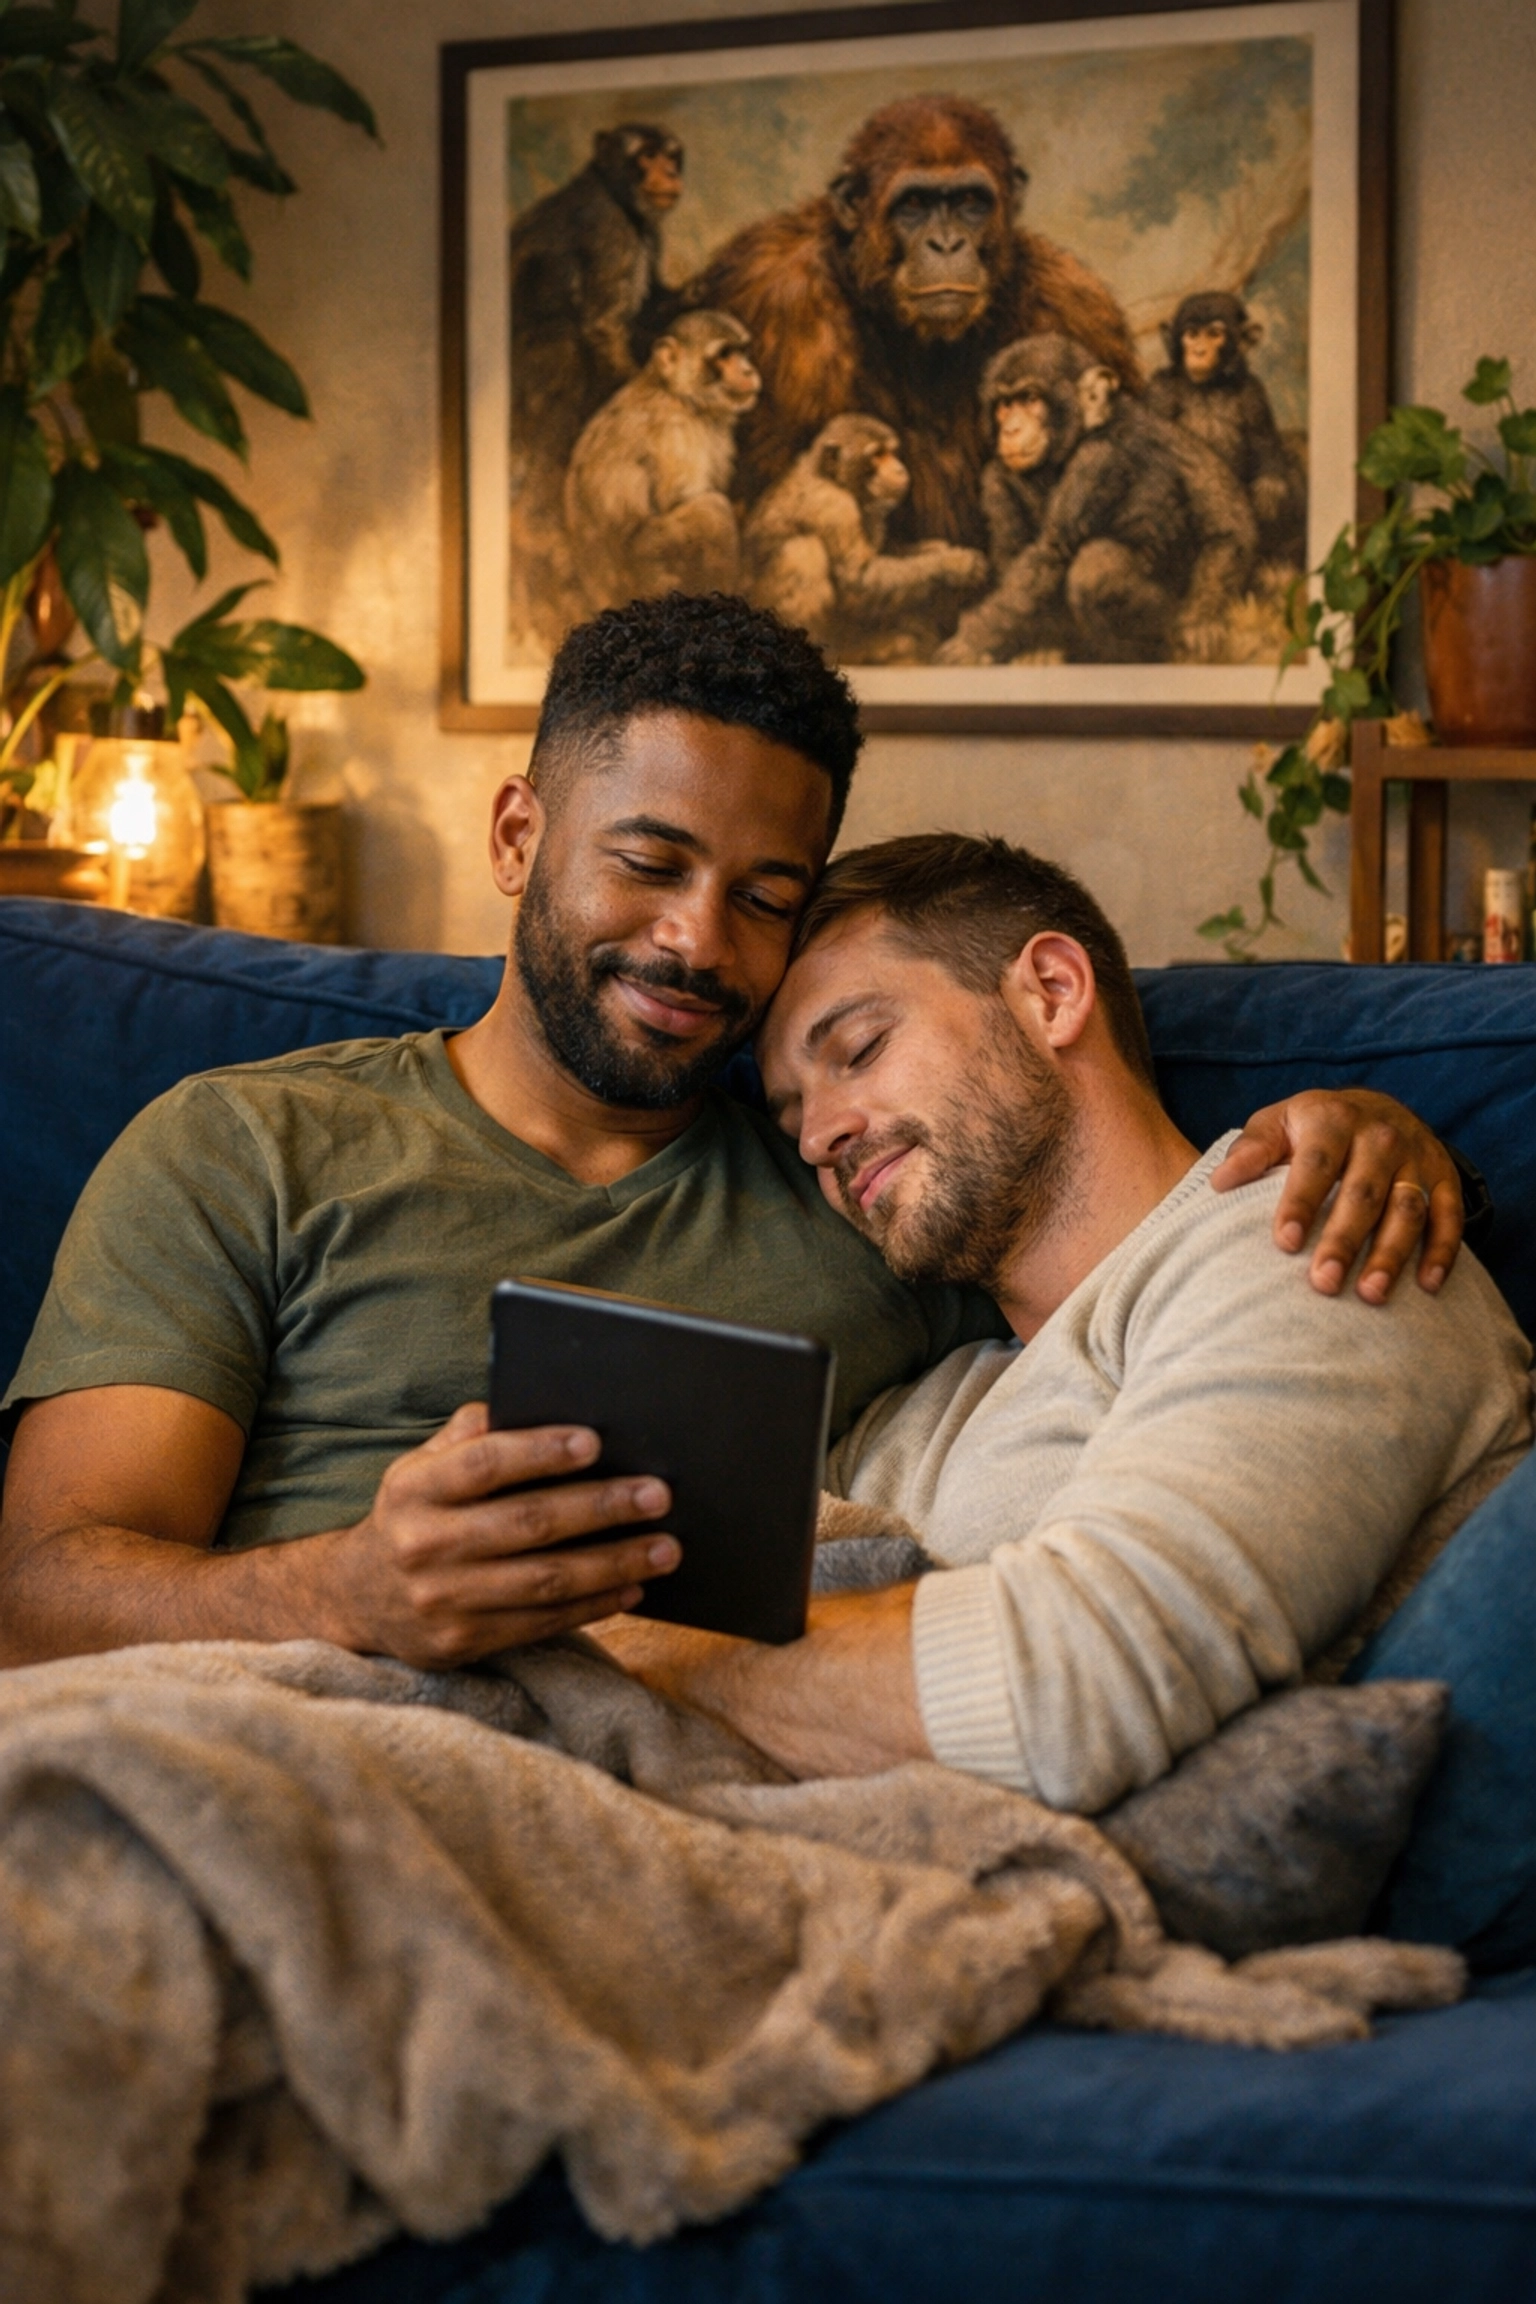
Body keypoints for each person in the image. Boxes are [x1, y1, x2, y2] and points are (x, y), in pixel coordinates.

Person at [0, 597, 1467, 1672]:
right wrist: (348, 1591)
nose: (698, 940)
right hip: (271, 1714)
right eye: (648, 863)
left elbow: (1107, 1219)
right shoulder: (246, 1146)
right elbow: (37, 1597)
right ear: (518, 840)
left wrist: (1375, 1128)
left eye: (767, 896)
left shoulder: (858, 1177)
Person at [597, 834, 1530, 1812]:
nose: (823, 1136)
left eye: (860, 1050)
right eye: (793, 1121)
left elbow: (1080, 1689)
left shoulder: (1315, 1230)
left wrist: (642, 1655)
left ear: (1050, 990)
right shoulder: (913, 1411)